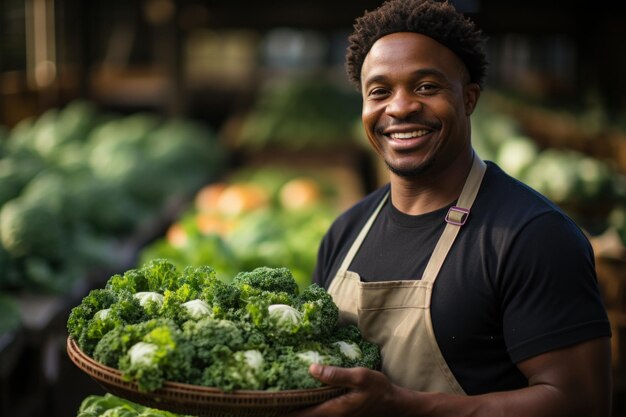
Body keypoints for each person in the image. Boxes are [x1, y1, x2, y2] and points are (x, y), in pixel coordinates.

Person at [289, 0, 613, 416]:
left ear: (469, 98)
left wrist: (404, 406)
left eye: (426, 87)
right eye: (380, 91)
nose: (400, 107)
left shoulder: (533, 236)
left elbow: (581, 403)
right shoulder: (346, 230)